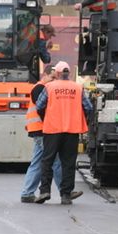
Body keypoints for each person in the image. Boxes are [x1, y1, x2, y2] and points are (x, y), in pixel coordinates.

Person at [35, 61, 92, 205]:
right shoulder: (77, 88)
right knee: (68, 163)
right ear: (69, 74)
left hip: (52, 129)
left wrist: (46, 117)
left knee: (47, 160)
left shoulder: (49, 87)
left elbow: (40, 105)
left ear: (58, 73)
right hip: (72, 130)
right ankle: (66, 195)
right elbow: (88, 107)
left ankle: (45, 191)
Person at [20, 65, 62, 202]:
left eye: (56, 78)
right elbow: (43, 110)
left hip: (39, 129)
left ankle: (27, 193)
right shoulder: (40, 89)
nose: (54, 81)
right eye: (52, 77)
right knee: (55, 159)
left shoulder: (43, 88)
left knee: (37, 162)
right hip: (41, 130)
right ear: (45, 75)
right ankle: (65, 191)